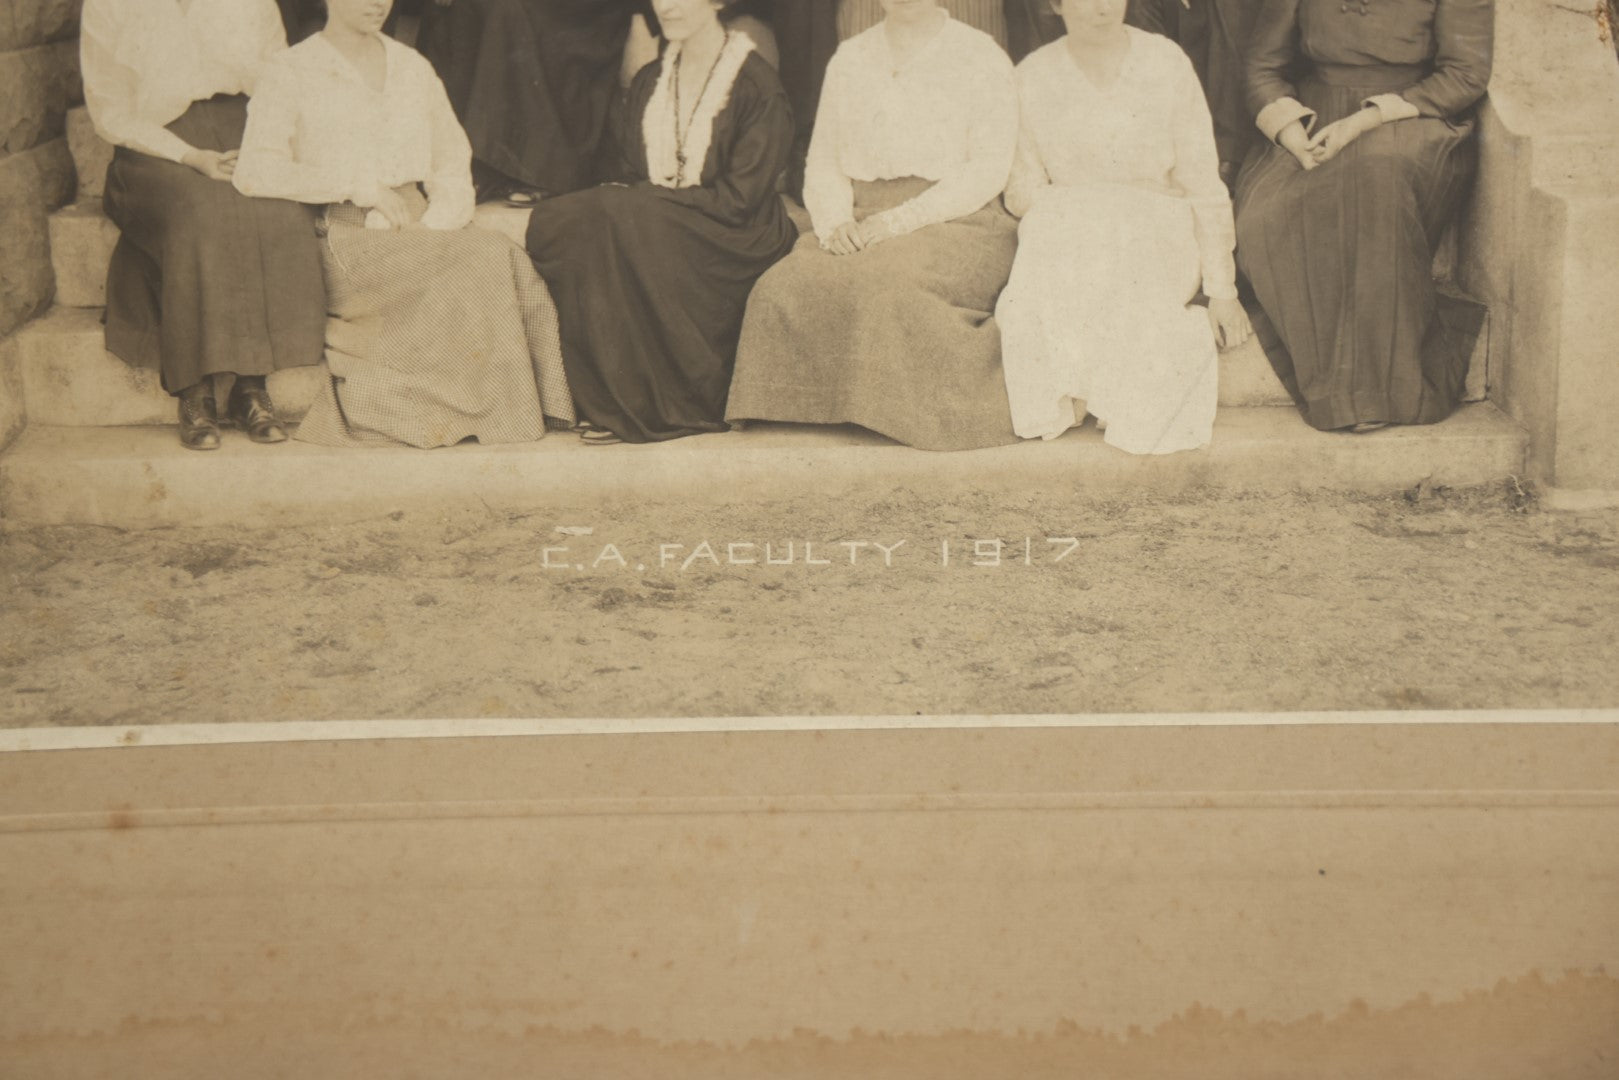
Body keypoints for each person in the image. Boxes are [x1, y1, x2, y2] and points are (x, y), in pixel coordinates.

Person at [233, 0, 575, 448]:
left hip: (419, 228)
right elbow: (254, 170)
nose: (379, 4)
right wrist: (359, 188)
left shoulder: (411, 66)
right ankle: (482, 414)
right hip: (349, 237)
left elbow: (453, 163)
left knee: (495, 252)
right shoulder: (293, 68)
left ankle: (502, 411)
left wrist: (435, 224)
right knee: (484, 256)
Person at [726, 0, 1020, 452]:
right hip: (861, 214)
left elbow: (987, 168)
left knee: (885, 287)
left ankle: (899, 412)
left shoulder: (979, 54)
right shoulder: (851, 57)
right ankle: (812, 410)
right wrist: (834, 221)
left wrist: (900, 220)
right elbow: (824, 158)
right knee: (782, 286)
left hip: (960, 218)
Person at [522, 0, 798, 444]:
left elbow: (741, 198)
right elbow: (632, 171)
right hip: (663, 222)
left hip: (736, 235)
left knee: (617, 215)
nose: (667, 6)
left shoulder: (755, 83)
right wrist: (645, 202)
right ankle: (613, 398)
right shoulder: (652, 79)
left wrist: (648, 202)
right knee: (572, 221)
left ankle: (662, 403)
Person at [995, 0, 1249, 454]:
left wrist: (1223, 290)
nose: (1103, 6)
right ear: (1055, 4)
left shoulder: (1165, 61)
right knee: (1063, 245)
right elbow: (1021, 190)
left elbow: (1202, 181)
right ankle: (1074, 388)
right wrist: (1086, 205)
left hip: (1155, 231)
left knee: (1117, 254)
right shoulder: (1033, 75)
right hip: (1071, 230)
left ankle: (1107, 388)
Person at [1234, 0, 1494, 433]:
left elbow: (1465, 74)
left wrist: (1367, 120)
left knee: (1374, 181)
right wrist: (1290, 130)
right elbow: (1261, 67)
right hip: (1318, 115)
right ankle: (1340, 381)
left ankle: (1379, 389)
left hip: (1415, 118)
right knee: (1262, 217)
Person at [82, 0, 326, 451]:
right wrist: (189, 157)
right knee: (200, 211)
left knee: (278, 209)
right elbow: (110, 112)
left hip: (244, 129)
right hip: (153, 146)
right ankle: (193, 389)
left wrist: (267, 150)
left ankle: (250, 386)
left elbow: (278, 83)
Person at [416, 0, 653, 202]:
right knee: (461, 6)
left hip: (582, 11)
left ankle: (521, 170)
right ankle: (456, 160)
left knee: (506, 10)